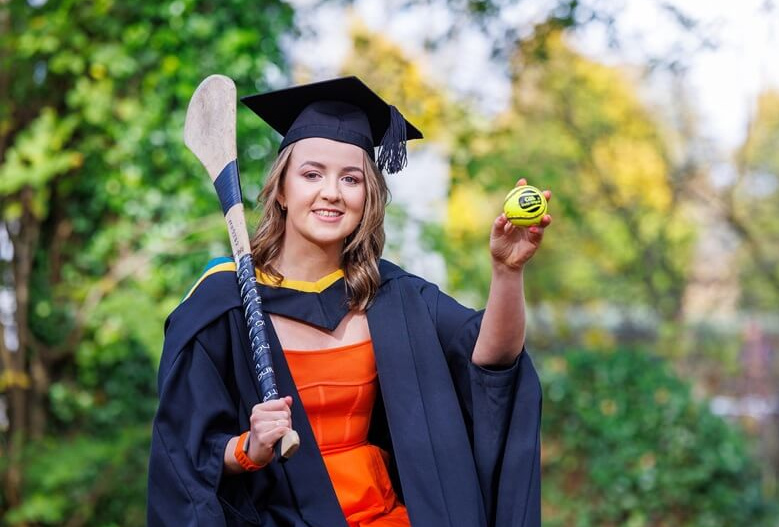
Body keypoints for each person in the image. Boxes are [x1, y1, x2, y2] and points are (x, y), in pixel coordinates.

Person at [147, 76, 549, 526]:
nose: (332, 192)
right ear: (282, 189)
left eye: (351, 178)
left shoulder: (390, 294)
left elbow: (492, 359)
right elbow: (183, 456)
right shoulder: (224, 304)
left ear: (368, 196)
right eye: (312, 174)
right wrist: (249, 447)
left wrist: (507, 271)